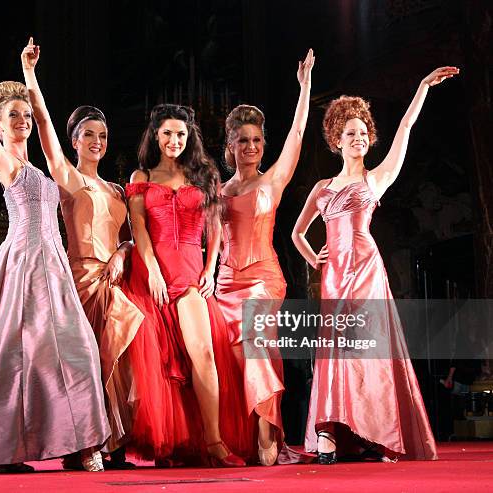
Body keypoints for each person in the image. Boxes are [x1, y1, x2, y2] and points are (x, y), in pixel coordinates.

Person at [0, 17, 110, 472]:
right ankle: (3, 451)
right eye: (13, 115)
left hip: (53, 263)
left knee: (76, 352)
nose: (23, 121)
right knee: (18, 358)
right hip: (23, 263)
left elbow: (49, 120)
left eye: (26, 114)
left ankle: (77, 444)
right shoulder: (4, 159)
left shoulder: (43, 163)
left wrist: (31, 76)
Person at [292, 65, 459, 463]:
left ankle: (377, 432)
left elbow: (404, 130)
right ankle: (330, 431)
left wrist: (421, 87)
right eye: (350, 133)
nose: (359, 139)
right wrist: (314, 256)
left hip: (367, 270)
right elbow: (297, 233)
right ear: (337, 139)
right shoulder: (321, 189)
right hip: (334, 277)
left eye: (363, 133)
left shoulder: (376, 179)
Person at [21, 39, 143, 470]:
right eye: (88, 134)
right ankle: (81, 445)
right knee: (84, 365)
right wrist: (31, 74)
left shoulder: (116, 189)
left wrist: (123, 254)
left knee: (119, 362)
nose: (97, 141)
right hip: (79, 280)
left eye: (103, 135)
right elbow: (45, 132)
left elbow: (130, 237)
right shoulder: (68, 178)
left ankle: (114, 445)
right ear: (75, 141)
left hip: (114, 281)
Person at [124, 104, 250, 466]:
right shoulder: (142, 175)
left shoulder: (203, 176)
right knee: (161, 364)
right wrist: (152, 271)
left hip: (192, 274)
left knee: (204, 354)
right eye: (167, 133)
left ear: (189, 136)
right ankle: (172, 443)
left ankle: (213, 441)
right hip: (153, 274)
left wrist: (211, 270)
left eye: (181, 133)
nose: (174, 140)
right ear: (156, 135)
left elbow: (214, 228)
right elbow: (139, 228)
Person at [216, 49, 314, 466]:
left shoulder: (272, 181)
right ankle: (236, 437)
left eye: (257, 140)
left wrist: (304, 86)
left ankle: (265, 436)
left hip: (263, 279)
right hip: (223, 283)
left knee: (258, 346)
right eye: (244, 141)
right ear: (231, 146)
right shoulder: (217, 191)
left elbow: (295, 135)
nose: (251, 147)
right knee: (230, 359)